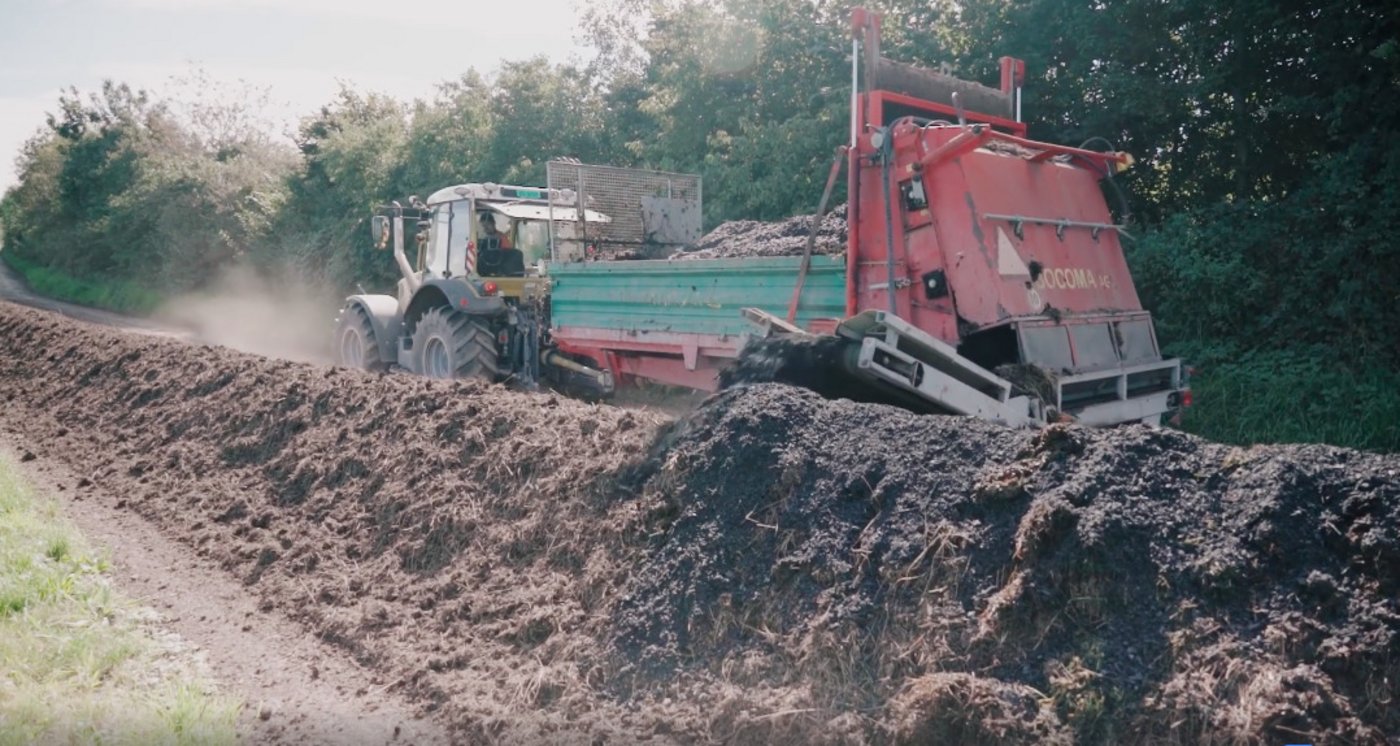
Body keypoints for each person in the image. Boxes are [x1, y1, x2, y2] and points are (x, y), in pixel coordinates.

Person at [476, 212, 525, 276]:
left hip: (500, 271)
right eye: (483, 225)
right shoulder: (477, 239)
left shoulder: (502, 238)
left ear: (493, 224)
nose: (486, 227)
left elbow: (509, 255)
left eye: (488, 224)